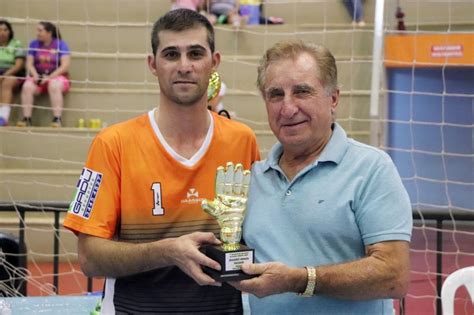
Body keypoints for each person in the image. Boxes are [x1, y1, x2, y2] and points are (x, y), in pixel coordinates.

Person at [63, 9, 259, 314]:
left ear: (214, 62)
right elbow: (89, 258)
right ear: (153, 65)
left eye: (195, 53)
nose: (184, 66)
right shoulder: (111, 143)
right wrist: (166, 252)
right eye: (171, 54)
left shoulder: (242, 140)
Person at [231, 40, 412, 314]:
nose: (288, 108)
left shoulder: (371, 168)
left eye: (302, 92)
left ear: (334, 98)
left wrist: (301, 280)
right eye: (276, 95)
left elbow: (393, 277)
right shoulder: (254, 176)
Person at [17, 21, 71, 127]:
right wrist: (35, 75)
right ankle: (26, 118)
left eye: (40, 30)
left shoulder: (61, 44)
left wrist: (50, 77)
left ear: (49, 32)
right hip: (38, 76)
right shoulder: (34, 44)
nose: (37, 33)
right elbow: (29, 63)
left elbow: (65, 66)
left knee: (54, 85)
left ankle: (57, 119)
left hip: (57, 76)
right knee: (27, 86)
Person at [0, 20, 25, 126]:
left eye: (5, 30)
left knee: (7, 82)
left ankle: (3, 117)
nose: (2, 33)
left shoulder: (16, 44)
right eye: (0, 30)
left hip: (12, 74)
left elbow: (18, 65)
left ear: (10, 31)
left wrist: (3, 75)